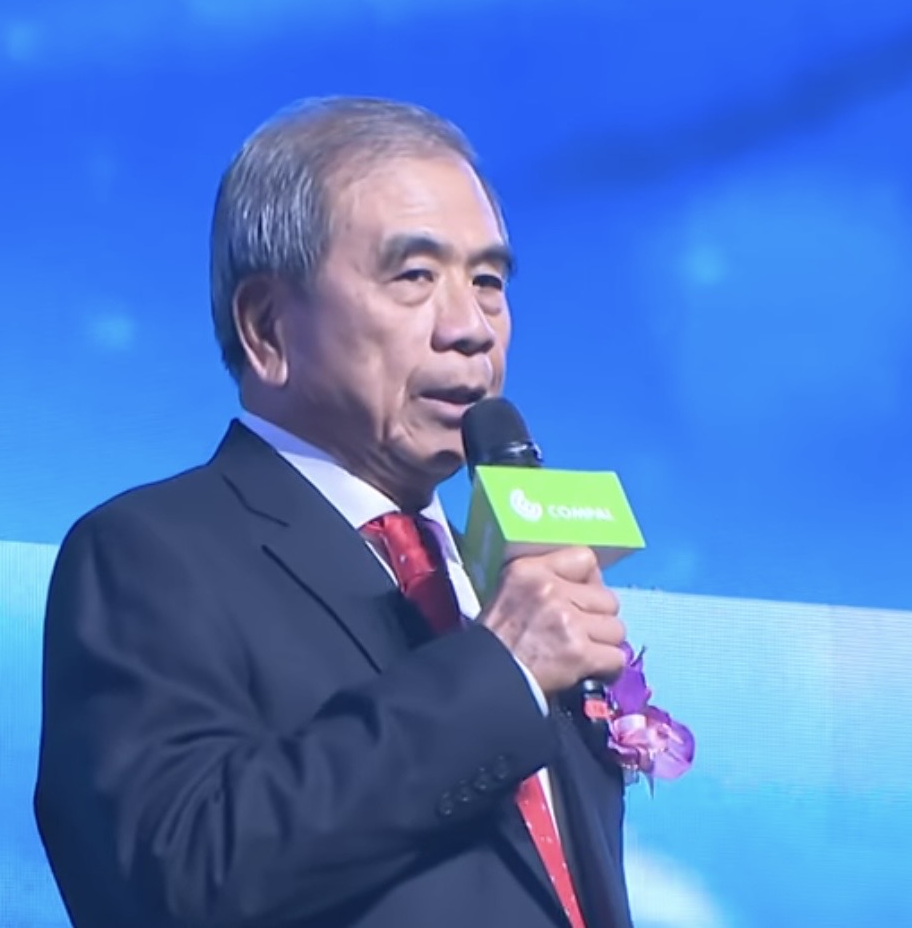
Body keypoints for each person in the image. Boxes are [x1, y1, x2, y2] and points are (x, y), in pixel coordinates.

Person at [34, 96, 634, 928]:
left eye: (488, 282)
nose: (471, 328)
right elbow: (175, 875)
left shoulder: (501, 580)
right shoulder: (147, 555)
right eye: (415, 277)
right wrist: (502, 675)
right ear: (267, 327)